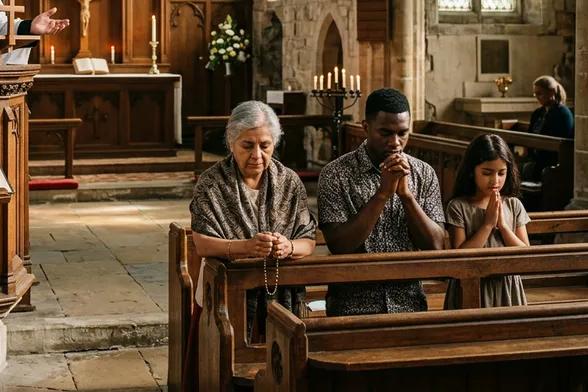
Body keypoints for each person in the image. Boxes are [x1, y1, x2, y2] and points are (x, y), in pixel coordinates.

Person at [184, 101, 316, 390]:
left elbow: (308, 241)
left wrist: (288, 247)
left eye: (265, 145)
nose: (257, 155)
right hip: (226, 295)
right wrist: (244, 247)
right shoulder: (212, 183)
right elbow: (203, 244)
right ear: (231, 143)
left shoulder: (289, 182)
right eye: (247, 145)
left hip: (279, 296)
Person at [317, 88, 446, 317]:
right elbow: (339, 246)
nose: (395, 142)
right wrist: (382, 194)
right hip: (351, 306)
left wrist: (406, 196)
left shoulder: (424, 173)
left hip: (409, 303)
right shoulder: (335, 174)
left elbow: (435, 246)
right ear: (366, 127)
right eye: (385, 133)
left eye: (403, 133)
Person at [444, 133, 530, 308]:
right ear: (471, 171)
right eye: (487, 173)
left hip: (506, 285)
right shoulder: (458, 206)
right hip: (470, 286)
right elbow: (460, 258)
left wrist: (503, 227)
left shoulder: (514, 205)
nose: (495, 180)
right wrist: (488, 224)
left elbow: (525, 254)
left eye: (501, 173)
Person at [522, 75, 574, 181]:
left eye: (540, 93)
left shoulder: (563, 114)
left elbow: (562, 144)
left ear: (552, 92)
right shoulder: (538, 113)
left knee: (517, 171)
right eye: (535, 94)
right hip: (536, 161)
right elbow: (530, 135)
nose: (537, 97)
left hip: (551, 163)